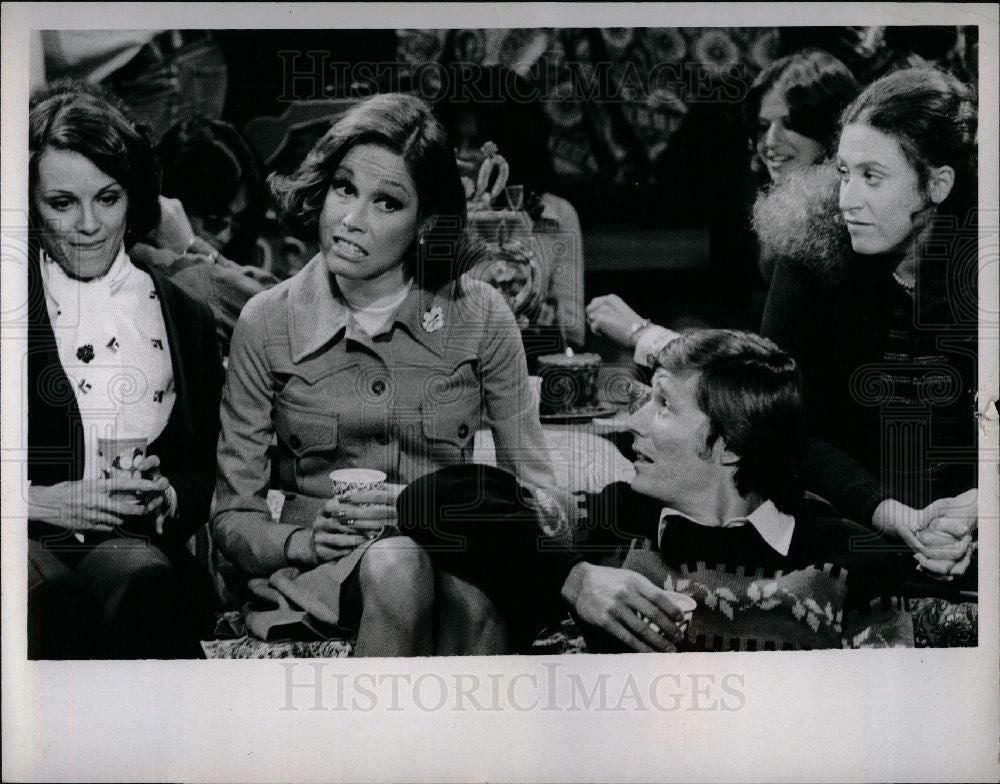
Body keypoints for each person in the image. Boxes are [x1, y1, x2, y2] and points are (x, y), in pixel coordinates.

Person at [211, 93, 559, 657]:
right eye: (344, 188)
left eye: (386, 203)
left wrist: (437, 509)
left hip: (453, 558)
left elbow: (543, 498)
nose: (351, 220)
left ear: (425, 221)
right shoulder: (267, 320)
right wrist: (300, 540)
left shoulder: (480, 313)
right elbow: (233, 516)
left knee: (476, 606)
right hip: (322, 576)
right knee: (400, 566)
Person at [559, 330, 915, 652]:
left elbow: (882, 711)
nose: (633, 423)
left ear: (730, 445)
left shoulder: (857, 565)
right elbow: (507, 514)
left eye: (664, 404)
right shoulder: (608, 521)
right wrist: (573, 578)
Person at [26, 81, 223, 659]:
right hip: (20, 534)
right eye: (61, 203)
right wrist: (36, 500)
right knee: (45, 594)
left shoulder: (183, 314)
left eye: (107, 199)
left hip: (125, 547)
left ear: (133, 199)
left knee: (148, 586)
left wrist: (167, 499)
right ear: (27, 203)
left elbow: (200, 473)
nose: (88, 223)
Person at [757, 67, 979, 578]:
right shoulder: (807, 258)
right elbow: (779, 426)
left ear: (938, 183)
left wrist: (980, 505)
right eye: (843, 172)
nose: (846, 199)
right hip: (846, 528)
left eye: (871, 176)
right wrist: (887, 511)